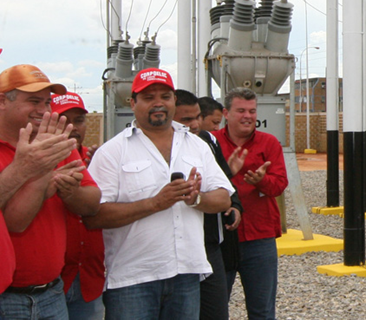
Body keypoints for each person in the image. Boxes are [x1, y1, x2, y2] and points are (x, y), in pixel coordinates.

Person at [85, 68, 234, 320]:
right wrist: (155, 203)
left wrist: (196, 199)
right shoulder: (112, 152)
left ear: (174, 100)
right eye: (148, 97)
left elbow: (223, 198)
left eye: (165, 96)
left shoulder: (197, 146)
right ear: (132, 103)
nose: (158, 103)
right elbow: (95, 216)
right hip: (132, 281)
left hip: (186, 274)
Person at [0, 64, 100, 320]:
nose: (43, 110)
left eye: (47, 102)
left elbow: (92, 203)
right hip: (6, 297)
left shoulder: (55, 142)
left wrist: (69, 192)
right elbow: (15, 223)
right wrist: (40, 174)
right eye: (34, 101)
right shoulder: (50, 146)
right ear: (2, 101)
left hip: (52, 293)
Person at [213, 89, 287, 320]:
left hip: (259, 238)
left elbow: (279, 185)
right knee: (214, 310)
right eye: (241, 110)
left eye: (252, 111)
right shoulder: (211, 142)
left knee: (262, 310)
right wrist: (228, 171)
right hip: (220, 238)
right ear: (226, 113)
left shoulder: (269, 142)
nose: (248, 116)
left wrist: (261, 181)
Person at [173, 89, 242, 320]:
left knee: (215, 312)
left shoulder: (207, 142)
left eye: (197, 118)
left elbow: (225, 184)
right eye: (186, 119)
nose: (194, 124)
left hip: (210, 246)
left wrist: (235, 206)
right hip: (173, 249)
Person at [51, 92, 106, 320]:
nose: (73, 127)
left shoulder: (99, 160)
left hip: (89, 279)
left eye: (79, 120)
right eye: (64, 120)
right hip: (53, 281)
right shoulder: (37, 160)